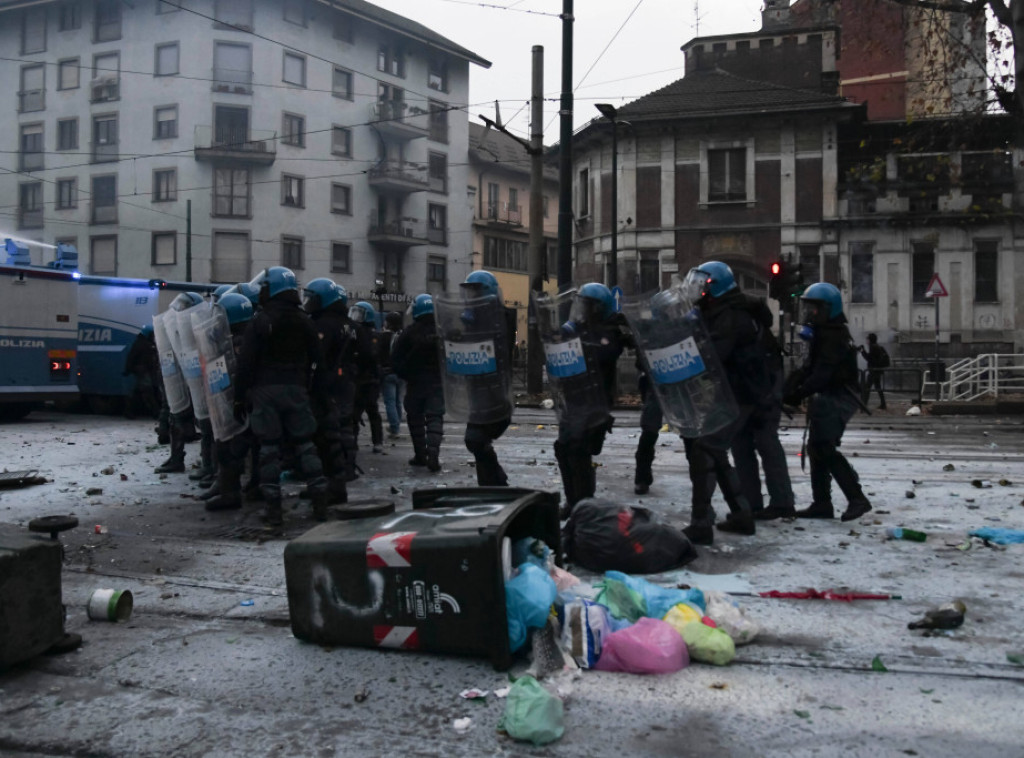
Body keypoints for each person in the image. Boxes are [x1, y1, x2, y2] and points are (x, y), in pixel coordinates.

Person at [678, 261, 769, 544]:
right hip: (733, 391)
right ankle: (741, 516)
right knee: (714, 451)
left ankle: (702, 524)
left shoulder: (730, 315)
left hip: (740, 392)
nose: (695, 290)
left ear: (713, 287)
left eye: (701, 285)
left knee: (706, 447)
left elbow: (714, 354)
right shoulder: (717, 311)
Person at [234, 266, 328, 526]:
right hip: (296, 389)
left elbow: (246, 364)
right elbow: (318, 360)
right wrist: (314, 391)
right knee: (305, 445)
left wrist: (239, 398)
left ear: (271, 289)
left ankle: (273, 508)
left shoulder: (261, 320)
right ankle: (320, 499)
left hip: (265, 391)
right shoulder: (304, 321)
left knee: (269, 450)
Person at [783, 282, 872, 522]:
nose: (810, 314)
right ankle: (822, 503)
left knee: (824, 447)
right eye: (808, 308)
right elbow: (809, 368)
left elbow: (822, 374)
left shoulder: (833, 336)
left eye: (815, 309)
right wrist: (790, 387)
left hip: (840, 395)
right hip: (829, 395)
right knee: (816, 447)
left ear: (828, 309)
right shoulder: (823, 333)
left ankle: (857, 498)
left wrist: (796, 394)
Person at [554, 283, 631, 516]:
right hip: (573, 398)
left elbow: (602, 354)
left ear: (597, 308)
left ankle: (584, 504)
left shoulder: (611, 330)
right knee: (563, 448)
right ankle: (573, 501)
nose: (582, 310)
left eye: (586, 305)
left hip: (595, 401)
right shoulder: (578, 328)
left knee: (579, 450)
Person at [733, 293, 796, 521]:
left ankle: (779, 502)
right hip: (755, 393)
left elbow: (755, 368)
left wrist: (764, 400)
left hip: (760, 395)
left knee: (764, 444)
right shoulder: (754, 328)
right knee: (747, 445)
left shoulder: (747, 328)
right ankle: (762, 502)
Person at [455, 270, 517, 487]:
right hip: (477, 393)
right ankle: (491, 487)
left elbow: (499, 347)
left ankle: (496, 483)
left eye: (475, 292)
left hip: (496, 395)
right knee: (477, 442)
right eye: (469, 293)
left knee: (476, 439)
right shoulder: (474, 321)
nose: (470, 298)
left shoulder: (502, 318)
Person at [301, 278, 352, 506]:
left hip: (325, 388)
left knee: (326, 440)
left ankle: (332, 487)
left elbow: (316, 357)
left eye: (312, 298)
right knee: (334, 438)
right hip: (343, 385)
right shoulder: (346, 323)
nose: (308, 302)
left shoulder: (323, 325)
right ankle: (330, 485)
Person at [203, 293, 255, 512]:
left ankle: (230, 493)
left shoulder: (239, 341)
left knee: (231, 448)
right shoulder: (247, 336)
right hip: (248, 400)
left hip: (241, 401)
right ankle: (249, 488)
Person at [392, 294, 444, 472]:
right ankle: (434, 454)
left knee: (415, 419)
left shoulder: (409, 332)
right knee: (435, 418)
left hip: (415, 384)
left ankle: (421, 455)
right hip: (438, 382)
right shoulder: (442, 331)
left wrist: (406, 374)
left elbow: (396, 359)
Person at [155, 292, 205, 474]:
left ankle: (207, 462)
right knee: (176, 418)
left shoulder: (201, 327)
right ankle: (177, 458)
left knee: (207, 425)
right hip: (182, 382)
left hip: (200, 384)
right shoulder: (174, 328)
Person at [348, 301, 384, 454]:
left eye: (359, 313)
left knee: (358, 411)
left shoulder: (363, 333)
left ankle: (356, 440)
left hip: (364, 378)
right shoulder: (370, 334)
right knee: (370, 411)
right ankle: (377, 441)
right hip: (369, 379)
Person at [633, 363, 663, 495]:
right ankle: (642, 478)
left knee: (693, 438)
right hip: (655, 376)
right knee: (648, 434)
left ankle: (702, 493)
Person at [122, 324, 163, 423]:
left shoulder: (144, 343)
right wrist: (129, 369)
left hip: (145, 371)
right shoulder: (142, 344)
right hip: (143, 371)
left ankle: (129, 411)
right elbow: (132, 357)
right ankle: (156, 412)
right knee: (148, 392)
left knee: (139, 392)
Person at [379, 311, 405, 438]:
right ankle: (397, 424)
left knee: (389, 401)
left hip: (387, 372)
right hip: (400, 372)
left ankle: (394, 427)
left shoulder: (383, 337)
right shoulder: (401, 336)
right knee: (397, 401)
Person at [858, 333, 889, 410]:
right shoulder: (876, 346)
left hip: (874, 370)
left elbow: (870, 359)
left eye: (867, 339)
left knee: (867, 387)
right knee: (878, 387)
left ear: (870, 340)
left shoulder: (873, 347)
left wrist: (863, 351)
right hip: (877, 370)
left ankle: (864, 405)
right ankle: (883, 404)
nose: (866, 341)